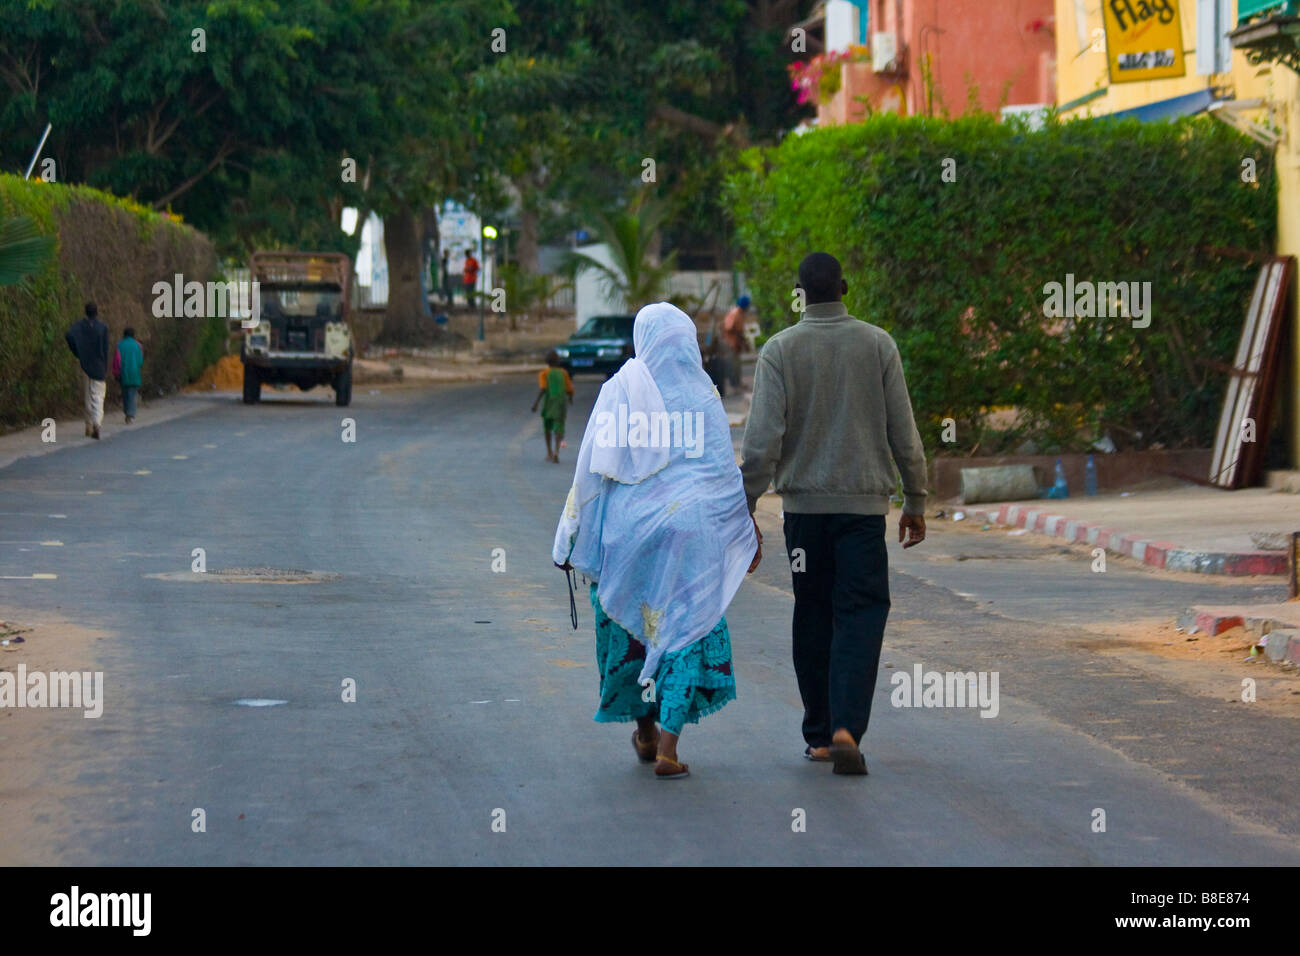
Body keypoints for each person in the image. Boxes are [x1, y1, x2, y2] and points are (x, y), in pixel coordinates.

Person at [553, 302, 760, 779]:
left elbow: (591, 471)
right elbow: (723, 472)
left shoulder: (620, 388)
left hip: (629, 536)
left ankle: (643, 730)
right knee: (684, 629)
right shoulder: (704, 393)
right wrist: (745, 529)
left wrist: (569, 537)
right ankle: (668, 746)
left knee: (634, 633)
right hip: (693, 535)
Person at [740, 252, 927, 776]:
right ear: (845, 287)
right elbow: (903, 434)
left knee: (812, 612)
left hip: (804, 517)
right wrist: (915, 499)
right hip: (863, 514)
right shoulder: (877, 344)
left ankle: (821, 737)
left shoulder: (779, 350)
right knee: (860, 613)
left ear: (799, 293)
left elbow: (762, 444)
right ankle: (848, 726)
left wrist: (745, 505)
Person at [65, 302, 109, 439]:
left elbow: (69, 335)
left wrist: (77, 352)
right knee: (98, 396)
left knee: (87, 396)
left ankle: (88, 425)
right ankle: (97, 423)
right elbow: (105, 348)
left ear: (85, 312)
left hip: (85, 364)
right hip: (99, 365)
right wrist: (104, 365)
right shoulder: (102, 328)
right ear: (97, 312)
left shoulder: (79, 326)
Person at [531, 350, 574, 463]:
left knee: (547, 427)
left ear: (546, 361)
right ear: (558, 361)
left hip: (549, 403)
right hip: (560, 403)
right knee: (559, 426)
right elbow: (569, 389)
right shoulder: (564, 373)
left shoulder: (544, 373)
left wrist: (536, 403)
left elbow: (543, 389)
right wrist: (570, 399)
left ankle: (549, 452)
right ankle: (556, 451)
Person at [113, 327, 144, 424]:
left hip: (123, 372)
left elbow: (117, 361)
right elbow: (140, 361)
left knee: (125, 393)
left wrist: (116, 372)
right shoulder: (138, 345)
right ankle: (130, 414)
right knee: (132, 393)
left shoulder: (119, 345)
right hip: (135, 373)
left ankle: (127, 413)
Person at [722, 295, 751, 391]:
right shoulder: (735, 313)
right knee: (733, 365)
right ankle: (734, 386)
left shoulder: (741, 313)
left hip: (736, 343)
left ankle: (738, 383)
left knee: (737, 365)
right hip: (730, 343)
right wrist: (740, 337)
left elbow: (740, 330)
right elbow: (728, 328)